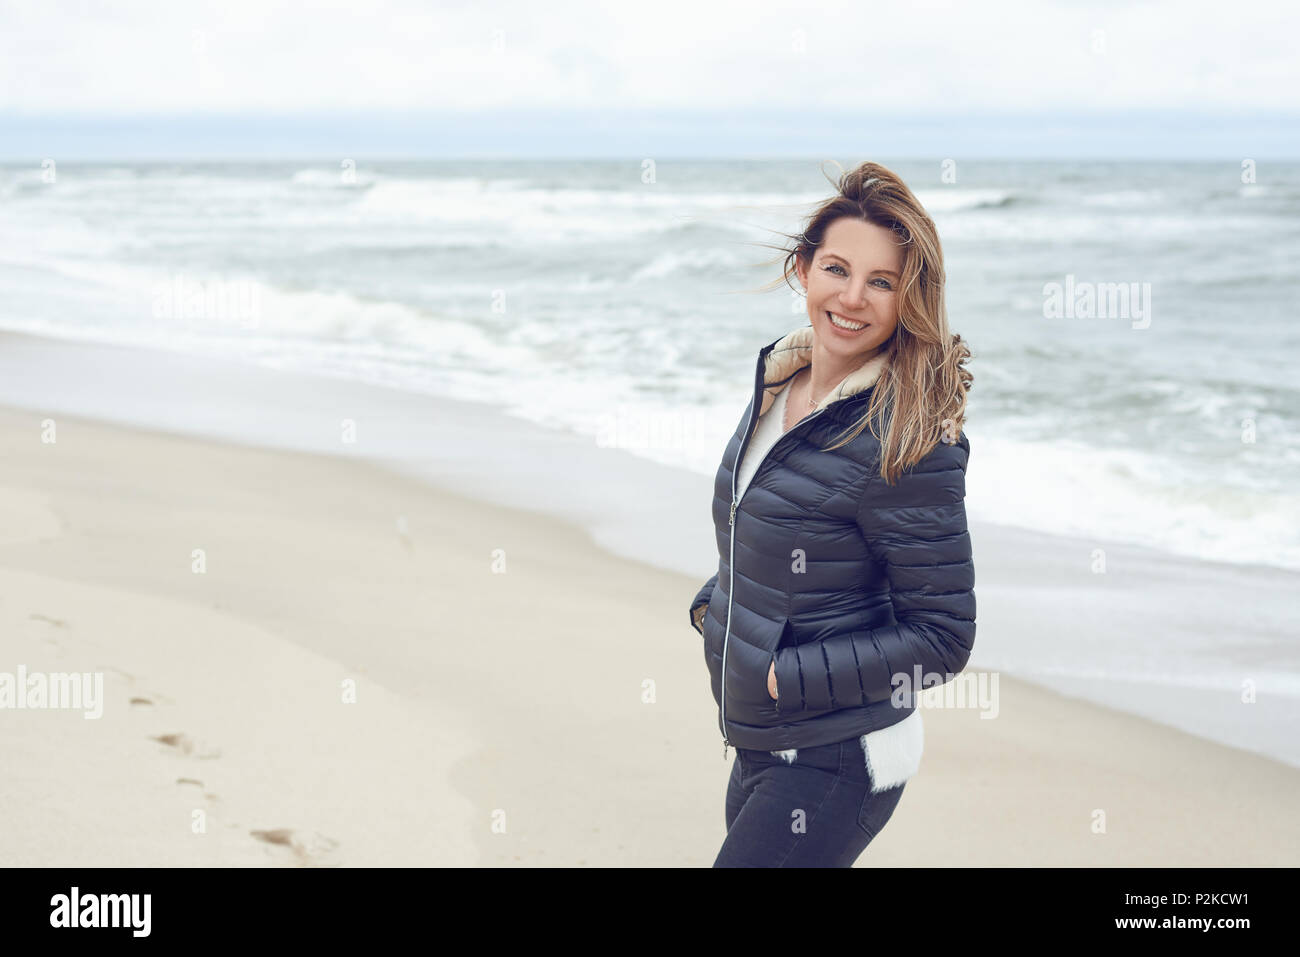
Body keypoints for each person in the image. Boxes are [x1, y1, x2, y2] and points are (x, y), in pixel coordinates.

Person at [688, 161, 976, 867]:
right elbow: (760, 531)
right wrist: (717, 611)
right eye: (837, 269)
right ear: (802, 268)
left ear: (908, 298)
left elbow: (943, 636)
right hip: (762, 738)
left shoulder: (908, 438)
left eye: (881, 281)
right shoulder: (778, 387)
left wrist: (788, 673)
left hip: (839, 754)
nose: (853, 297)